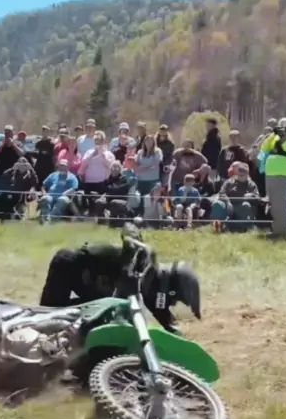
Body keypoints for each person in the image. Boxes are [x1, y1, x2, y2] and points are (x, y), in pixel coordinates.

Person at [39, 226, 201, 334]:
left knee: (95, 316)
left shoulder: (150, 285)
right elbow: (129, 229)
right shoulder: (141, 264)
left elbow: (163, 316)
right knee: (48, 319)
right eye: (175, 298)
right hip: (70, 265)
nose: (173, 303)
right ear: (169, 288)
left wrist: (177, 335)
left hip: (91, 282)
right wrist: (134, 247)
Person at [261, 118, 286, 239]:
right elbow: (264, 148)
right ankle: (278, 230)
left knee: (279, 204)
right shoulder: (274, 137)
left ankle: (283, 232)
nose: (282, 128)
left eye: (285, 126)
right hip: (270, 172)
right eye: (280, 126)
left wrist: (285, 141)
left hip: (282, 173)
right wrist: (273, 135)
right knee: (273, 203)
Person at [210, 162, 260, 231]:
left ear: (247, 174)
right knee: (217, 204)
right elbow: (222, 192)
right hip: (228, 205)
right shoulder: (230, 181)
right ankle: (219, 226)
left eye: (242, 175)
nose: (240, 177)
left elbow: (256, 196)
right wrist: (227, 201)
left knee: (246, 205)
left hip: (241, 206)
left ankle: (244, 226)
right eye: (239, 174)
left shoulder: (251, 184)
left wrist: (246, 196)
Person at [78, 130, 114, 213]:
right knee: (89, 203)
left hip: (102, 182)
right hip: (89, 182)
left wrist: (102, 155)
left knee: (99, 203)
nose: (97, 142)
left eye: (99, 140)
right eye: (96, 140)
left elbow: (110, 166)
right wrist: (92, 155)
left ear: (103, 141)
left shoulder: (108, 154)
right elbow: (83, 164)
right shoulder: (88, 152)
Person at [0, 156, 37, 220]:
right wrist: (12, 169)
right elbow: (3, 176)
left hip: (22, 196)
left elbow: (35, 182)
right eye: (19, 163)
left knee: (12, 201)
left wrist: (31, 169)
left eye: (24, 164)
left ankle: (10, 215)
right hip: (11, 193)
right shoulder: (13, 172)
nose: (21, 166)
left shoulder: (29, 174)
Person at [94, 161, 136, 226]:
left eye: (117, 167)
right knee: (99, 202)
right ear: (110, 169)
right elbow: (102, 190)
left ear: (120, 169)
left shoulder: (124, 179)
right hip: (108, 198)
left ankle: (114, 222)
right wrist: (112, 189)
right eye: (113, 167)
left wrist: (110, 189)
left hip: (122, 200)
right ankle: (101, 221)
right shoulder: (107, 180)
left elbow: (121, 191)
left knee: (114, 202)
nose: (115, 169)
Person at [135, 134, 163, 216]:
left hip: (152, 179)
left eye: (151, 141)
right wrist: (139, 168)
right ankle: (140, 214)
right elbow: (136, 163)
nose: (149, 143)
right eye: (147, 141)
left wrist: (145, 168)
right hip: (141, 179)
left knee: (150, 198)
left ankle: (150, 215)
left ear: (154, 142)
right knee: (141, 198)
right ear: (144, 142)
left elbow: (157, 162)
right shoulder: (140, 152)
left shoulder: (157, 151)